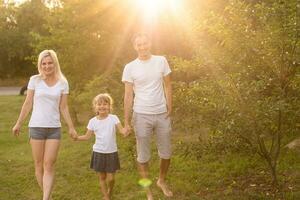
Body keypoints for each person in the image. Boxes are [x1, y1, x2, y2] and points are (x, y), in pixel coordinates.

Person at [12, 49, 77, 200]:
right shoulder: (35, 80)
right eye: (44, 63)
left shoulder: (63, 82)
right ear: (40, 64)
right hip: (36, 127)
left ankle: (45, 198)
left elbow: (64, 107)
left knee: (49, 165)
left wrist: (71, 127)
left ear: (55, 64)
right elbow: (28, 103)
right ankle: (48, 196)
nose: (47, 66)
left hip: (54, 128)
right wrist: (18, 123)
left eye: (50, 63)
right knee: (39, 165)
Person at [122, 32, 173, 200]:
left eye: (144, 43)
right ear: (134, 47)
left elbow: (168, 85)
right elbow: (128, 95)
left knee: (166, 153)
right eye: (139, 44)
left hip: (161, 114)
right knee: (143, 156)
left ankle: (161, 181)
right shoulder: (130, 67)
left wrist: (170, 105)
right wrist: (127, 121)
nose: (142, 47)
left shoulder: (161, 61)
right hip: (141, 115)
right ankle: (147, 189)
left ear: (149, 43)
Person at [73, 93, 128, 200]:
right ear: (95, 107)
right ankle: (106, 197)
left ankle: (110, 190)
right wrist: (77, 138)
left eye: (105, 104)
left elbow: (122, 131)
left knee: (111, 178)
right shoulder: (92, 121)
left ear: (109, 106)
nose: (102, 106)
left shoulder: (114, 118)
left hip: (111, 152)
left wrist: (126, 130)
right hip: (99, 152)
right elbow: (87, 136)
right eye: (99, 104)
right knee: (102, 177)